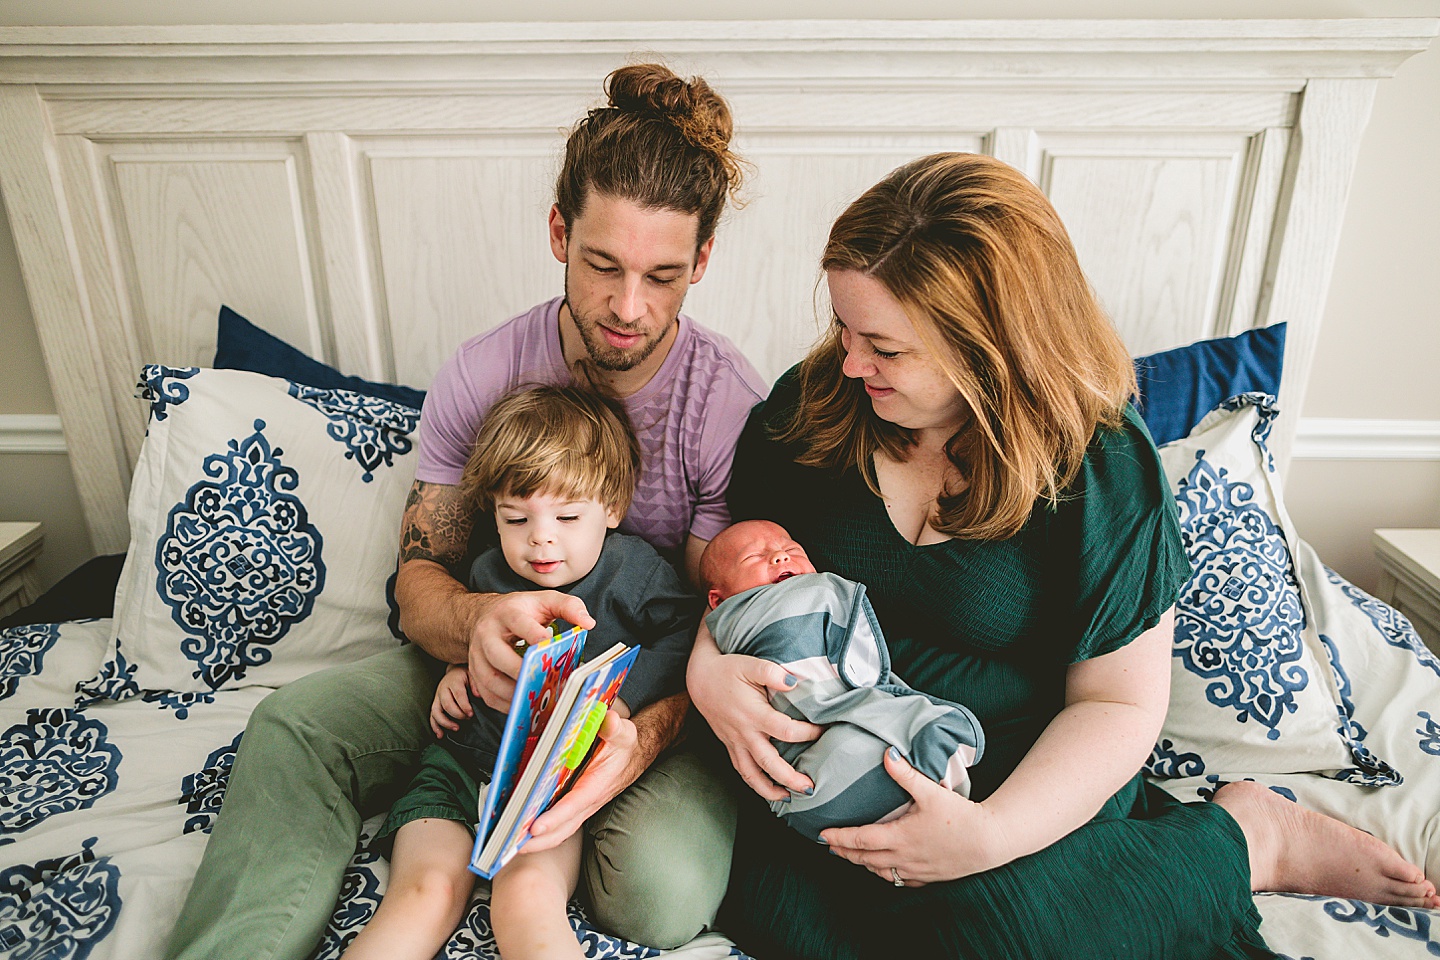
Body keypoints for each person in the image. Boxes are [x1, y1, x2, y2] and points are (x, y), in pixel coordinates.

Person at [686, 152, 1440, 959]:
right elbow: (744, 573)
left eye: (885, 347)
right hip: (838, 762)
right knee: (792, 918)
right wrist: (708, 669)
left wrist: (985, 837)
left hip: (1019, 777)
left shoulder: (1100, 462)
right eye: (844, 327)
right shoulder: (820, 407)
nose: (849, 361)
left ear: (988, 346)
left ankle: (1247, 838)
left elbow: (1119, 705)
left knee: (999, 934)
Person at [167, 63, 766, 960]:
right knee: (293, 725)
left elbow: (709, 627)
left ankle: (538, 844)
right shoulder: (486, 375)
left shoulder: (726, 407)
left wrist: (634, 739)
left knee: (657, 896)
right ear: (559, 232)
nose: (628, 307)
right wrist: (478, 624)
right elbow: (420, 584)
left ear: (703, 263)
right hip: (482, 673)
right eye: (602, 265)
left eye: (663, 276)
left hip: (637, 691)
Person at [344, 385, 699, 960]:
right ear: (495, 515)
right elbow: (464, 633)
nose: (541, 537)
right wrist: (456, 668)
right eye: (517, 517)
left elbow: (683, 636)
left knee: (528, 898)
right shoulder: (487, 571)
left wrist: (626, 699)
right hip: (459, 766)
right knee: (423, 893)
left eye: (566, 515)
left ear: (611, 507)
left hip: (548, 787)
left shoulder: (634, 571)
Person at [700, 519, 982, 841]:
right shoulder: (748, 616)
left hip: (985, 805)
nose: (780, 557)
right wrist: (703, 668)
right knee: (907, 739)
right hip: (803, 757)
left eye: (792, 550)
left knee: (896, 744)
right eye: (753, 557)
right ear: (718, 603)